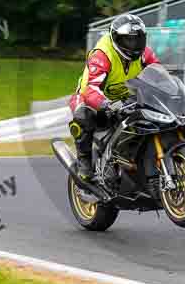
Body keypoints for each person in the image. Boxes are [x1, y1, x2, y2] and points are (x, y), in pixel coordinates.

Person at [68, 14, 160, 181]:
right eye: (129, 40)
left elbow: (159, 74)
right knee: (83, 116)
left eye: (138, 39)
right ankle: (84, 163)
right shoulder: (102, 54)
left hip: (124, 97)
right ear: (116, 39)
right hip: (91, 98)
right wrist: (106, 105)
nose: (135, 44)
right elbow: (91, 90)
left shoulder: (144, 53)